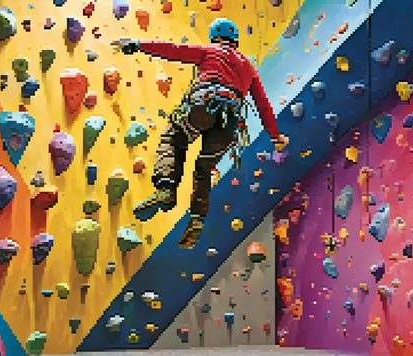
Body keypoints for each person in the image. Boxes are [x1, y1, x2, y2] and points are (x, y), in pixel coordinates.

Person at [111, 18, 288, 249]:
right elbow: (263, 105)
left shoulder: (211, 51)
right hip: (229, 122)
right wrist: (276, 137)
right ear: (235, 40)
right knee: (204, 169)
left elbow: (173, 51)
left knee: (173, 139)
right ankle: (197, 218)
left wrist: (137, 44)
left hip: (203, 106)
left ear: (214, 36)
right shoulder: (248, 67)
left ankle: (166, 188)